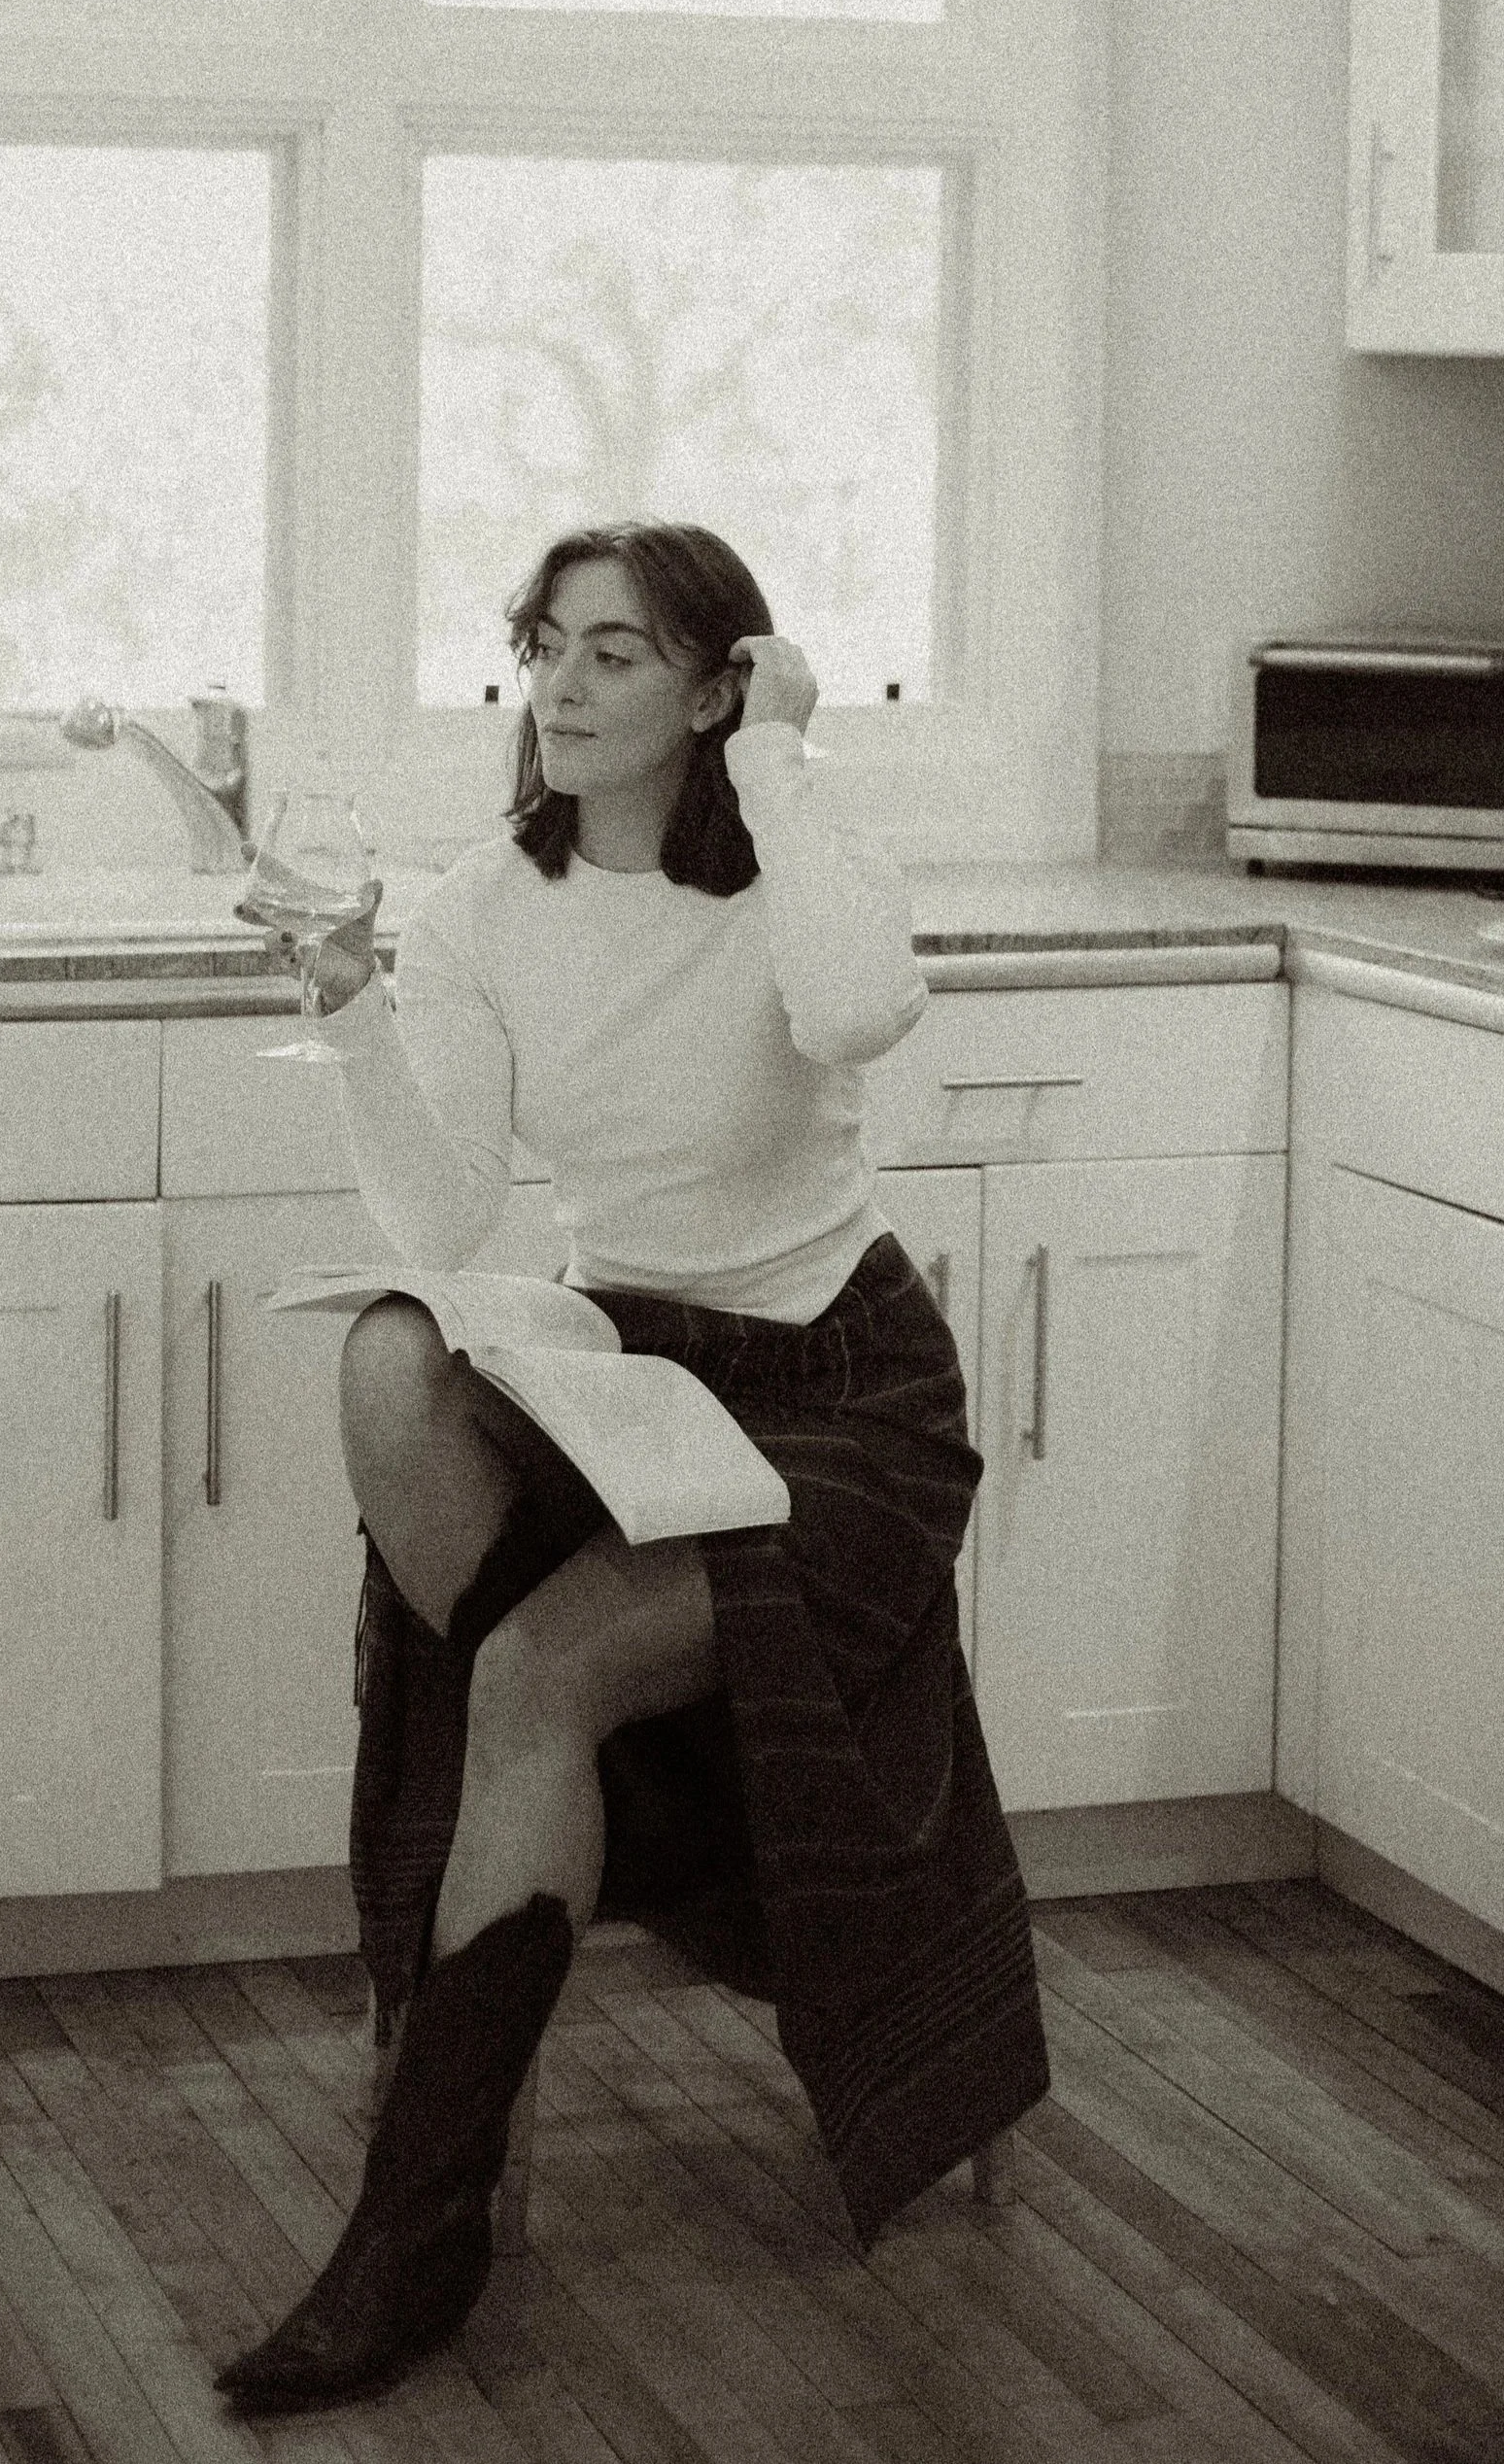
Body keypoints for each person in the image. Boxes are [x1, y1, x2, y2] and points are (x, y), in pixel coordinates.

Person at [218, 521, 1048, 2415]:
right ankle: (611, 1797)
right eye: (546, 648)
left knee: (526, 1674)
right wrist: (348, 1006)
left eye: (615, 653)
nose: (563, 687)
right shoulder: (484, 906)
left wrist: (782, 757)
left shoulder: (792, 871)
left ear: (710, 683)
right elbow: (442, 1208)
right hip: (631, 1375)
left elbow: (856, 1011)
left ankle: (403, 2229)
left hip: (843, 1397)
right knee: (390, 1354)